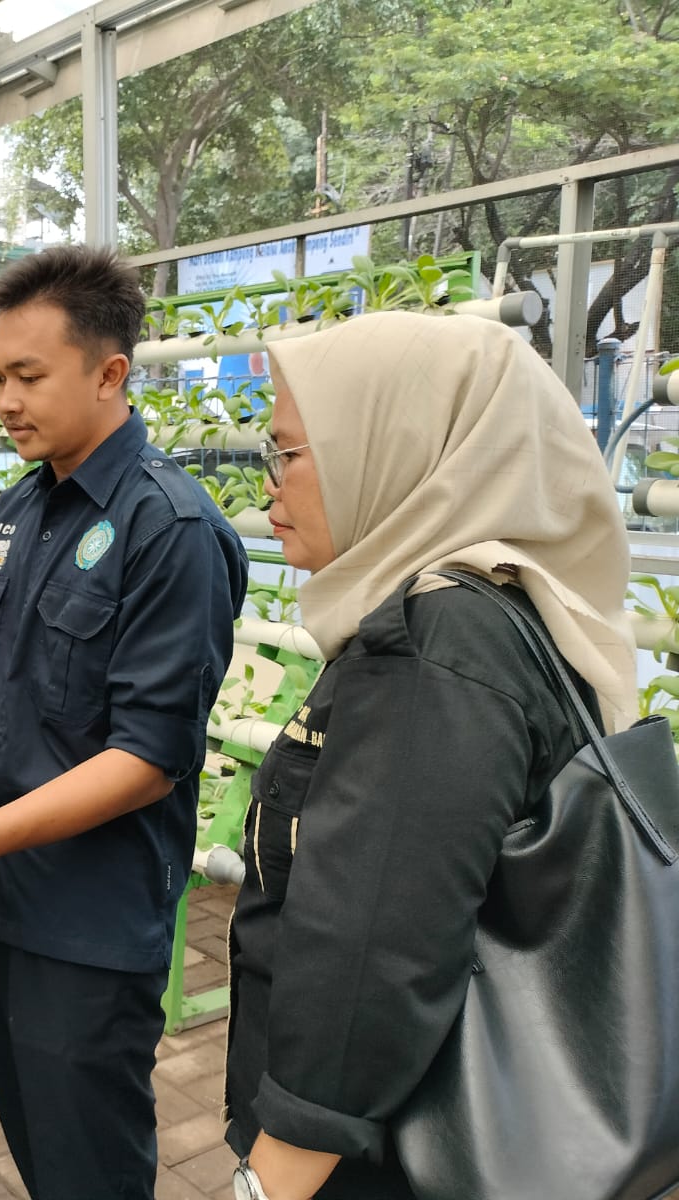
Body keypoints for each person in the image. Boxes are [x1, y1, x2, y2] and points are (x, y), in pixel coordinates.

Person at [0, 245, 249, 1200]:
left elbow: (149, 759)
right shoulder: (18, 511)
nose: (4, 401)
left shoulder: (172, 530)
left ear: (110, 373)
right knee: (40, 1152)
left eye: (27, 376)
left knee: (90, 1171)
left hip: (86, 922)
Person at [219, 311, 637, 1200]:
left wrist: (271, 1181)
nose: (269, 491)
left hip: (381, 1156)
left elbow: (370, 953)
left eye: (288, 453)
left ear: (394, 443)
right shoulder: (506, 600)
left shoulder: (434, 641)